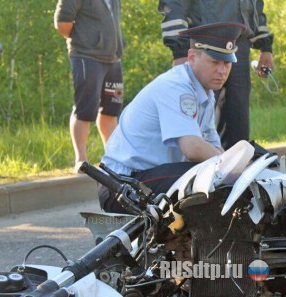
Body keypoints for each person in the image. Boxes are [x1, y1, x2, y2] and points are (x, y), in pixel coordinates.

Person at [99, 22, 246, 213]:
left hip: (145, 177)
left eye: (227, 63)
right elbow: (193, 147)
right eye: (214, 62)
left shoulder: (204, 93)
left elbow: (212, 146)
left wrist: (234, 167)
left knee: (217, 178)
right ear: (192, 57)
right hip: (120, 186)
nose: (222, 70)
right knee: (209, 180)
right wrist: (232, 168)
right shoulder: (177, 87)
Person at [158, 0, 274, 150]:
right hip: (204, 42)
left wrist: (265, 46)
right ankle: (191, 170)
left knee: (238, 120)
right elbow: (175, 4)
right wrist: (179, 50)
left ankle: (232, 170)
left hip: (239, 44)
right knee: (196, 118)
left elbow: (254, 5)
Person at [54, 0, 124, 173]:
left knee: (111, 110)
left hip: (113, 58)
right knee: (85, 110)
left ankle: (112, 159)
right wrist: (86, 40)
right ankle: (81, 160)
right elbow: (62, 23)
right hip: (87, 57)